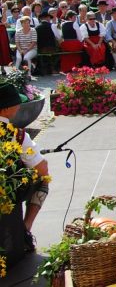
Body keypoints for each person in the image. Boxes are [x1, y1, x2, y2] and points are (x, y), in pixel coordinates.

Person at [0, 82, 50, 257]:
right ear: (7, 109)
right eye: (16, 103)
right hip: (6, 192)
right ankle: (25, 229)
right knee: (44, 179)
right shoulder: (17, 135)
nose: (19, 106)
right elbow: (41, 168)